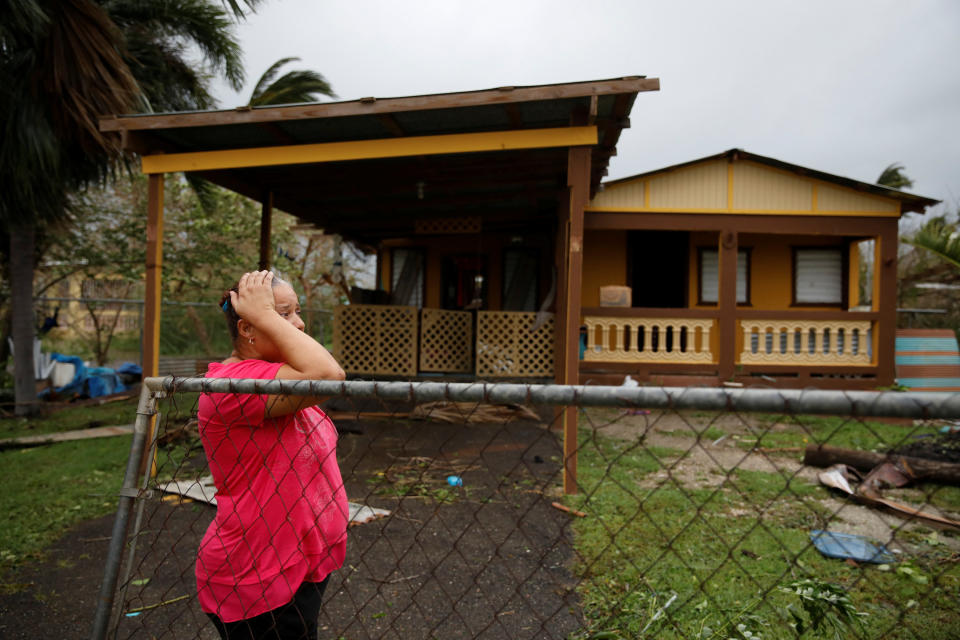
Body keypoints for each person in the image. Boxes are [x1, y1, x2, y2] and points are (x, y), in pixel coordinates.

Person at [196, 270, 348, 639]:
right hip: (256, 573)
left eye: (297, 312)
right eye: (283, 314)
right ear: (249, 328)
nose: (298, 324)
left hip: (301, 565)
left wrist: (270, 316)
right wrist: (263, 315)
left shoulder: (277, 377)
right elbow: (328, 374)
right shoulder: (230, 387)